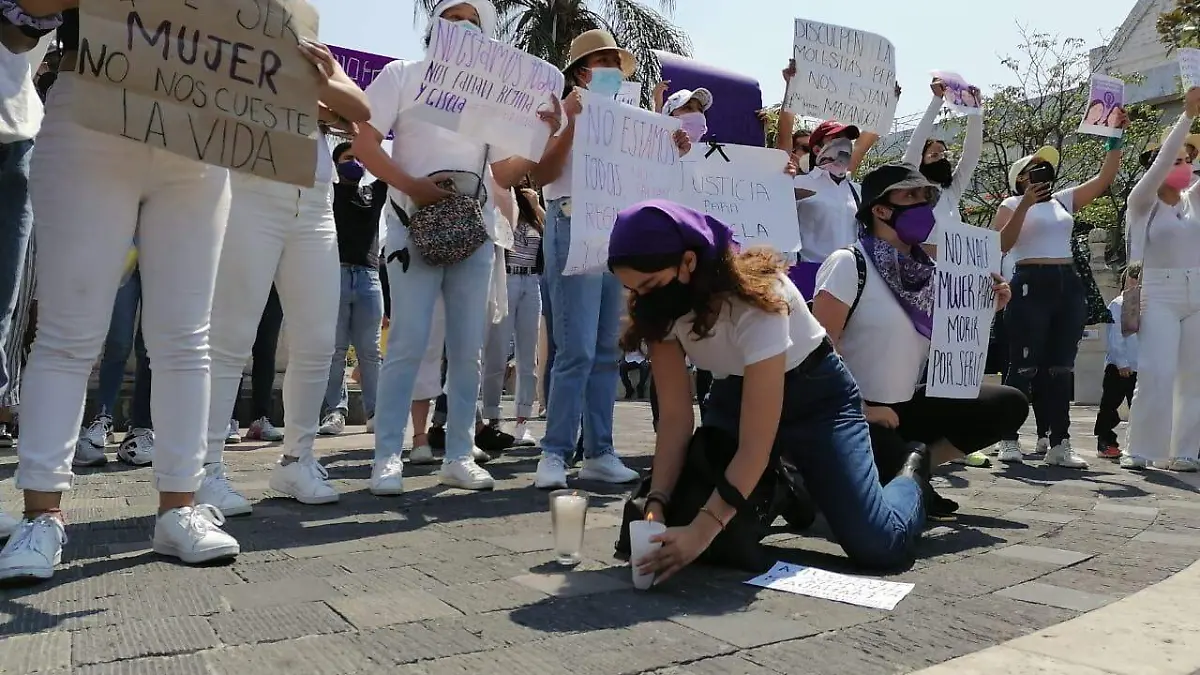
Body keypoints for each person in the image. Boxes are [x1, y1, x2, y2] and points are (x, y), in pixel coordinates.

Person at [0, 4, 245, 582]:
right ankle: (42, 514)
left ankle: (179, 508)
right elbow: (18, 26)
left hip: (200, 125)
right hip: (94, 103)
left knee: (186, 333)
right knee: (67, 330)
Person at [608, 200, 930, 578]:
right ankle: (792, 486)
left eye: (648, 285)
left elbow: (754, 447)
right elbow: (676, 418)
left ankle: (912, 472)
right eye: (632, 289)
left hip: (817, 397)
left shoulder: (758, 299)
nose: (643, 298)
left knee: (880, 545)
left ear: (689, 263)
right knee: (689, 521)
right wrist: (657, 501)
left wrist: (699, 532)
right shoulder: (659, 307)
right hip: (736, 394)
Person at [354, 0, 558, 495]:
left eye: (473, 22)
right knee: (407, 341)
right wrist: (413, 186)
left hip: (473, 231)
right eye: (451, 18)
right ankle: (387, 456)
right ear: (433, 28)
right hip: (410, 224)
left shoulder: (492, 98)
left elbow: (503, 174)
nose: (462, 28)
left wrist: (543, 132)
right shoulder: (402, 75)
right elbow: (364, 140)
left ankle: (460, 454)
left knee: (467, 349)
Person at [196, 38, 371, 517]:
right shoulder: (231, 31)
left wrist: (318, 89)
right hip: (251, 190)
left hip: (314, 202)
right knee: (230, 336)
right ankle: (206, 467)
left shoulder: (311, 45)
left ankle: (297, 459)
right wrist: (318, 108)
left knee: (317, 340)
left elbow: (359, 109)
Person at [811, 163, 1025, 520]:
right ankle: (890, 472)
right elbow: (816, 352)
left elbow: (947, 340)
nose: (923, 205)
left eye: (925, 196)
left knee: (1008, 404)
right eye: (910, 195)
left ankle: (916, 470)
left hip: (905, 407)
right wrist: (862, 410)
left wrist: (988, 307)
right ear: (880, 209)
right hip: (851, 413)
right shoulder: (848, 264)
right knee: (880, 500)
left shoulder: (932, 273)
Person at [528, 28, 689, 489]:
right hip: (571, 222)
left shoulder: (628, 118)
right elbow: (540, 174)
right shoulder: (557, 111)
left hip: (612, 235)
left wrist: (671, 146)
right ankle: (555, 452)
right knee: (574, 348)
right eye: (602, 63)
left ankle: (599, 450)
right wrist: (572, 124)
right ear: (580, 72)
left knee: (604, 349)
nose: (612, 72)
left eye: (616, 64)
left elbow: (652, 171)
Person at [992, 106, 1127, 468]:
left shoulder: (1064, 200)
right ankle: (1008, 437)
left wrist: (1115, 138)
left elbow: (1104, 179)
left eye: (1045, 170)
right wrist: (1024, 204)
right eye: (1033, 170)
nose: (1041, 175)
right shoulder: (1010, 203)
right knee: (1023, 365)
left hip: (1067, 284)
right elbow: (1002, 244)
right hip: (1028, 282)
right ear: (1020, 178)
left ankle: (1059, 442)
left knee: (1060, 367)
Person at [1121, 88, 1200, 472]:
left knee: (1194, 376)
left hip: (1197, 292)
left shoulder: (1194, 200)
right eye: (1177, 160)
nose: (1184, 166)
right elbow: (1162, 162)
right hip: (1158, 292)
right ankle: (1142, 448)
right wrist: (1186, 116)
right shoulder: (1142, 203)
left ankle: (1185, 450)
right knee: (1157, 370)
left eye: (1189, 160)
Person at [318, 142, 387, 436]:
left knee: (369, 351)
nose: (355, 163)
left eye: (359, 159)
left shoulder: (373, 193)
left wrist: (370, 140)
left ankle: (376, 412)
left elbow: (386, 171)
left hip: (369, 277)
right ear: (335, 163)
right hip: (336, 273)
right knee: (335, 351)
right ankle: (335, 412)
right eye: (348, 159)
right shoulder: (327, 194)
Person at [481, 186, 544, 445]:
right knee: (496, 353)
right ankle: (493, 417)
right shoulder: (499, 201)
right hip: (506, 278)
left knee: (528, 356)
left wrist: (537, 206)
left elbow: (554, 236)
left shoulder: (534, 212)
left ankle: (522, 420)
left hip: (532, 281)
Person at [1094, 262, 1140, 460]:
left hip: (1140, 366)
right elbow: (1115, 335)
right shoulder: (1119, 303)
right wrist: (1121, 361)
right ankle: (1105, 441)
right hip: (1119, 366)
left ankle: (1138, 444)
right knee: (1110, 406)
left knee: (1138, 407)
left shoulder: (1147, 305)